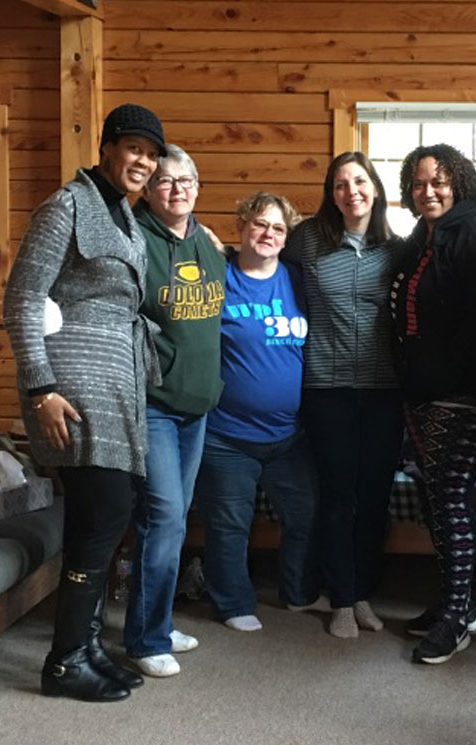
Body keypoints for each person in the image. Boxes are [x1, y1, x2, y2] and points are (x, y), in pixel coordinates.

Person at [3, 103, 166, 702]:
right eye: (134, 148)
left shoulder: (124, 216)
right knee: (104, 515)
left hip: (115, 383)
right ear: (107, 148)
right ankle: (65, 660)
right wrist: (40, 388)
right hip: (73, 386)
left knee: (100, 519)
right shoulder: (66, 206)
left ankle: (86, 643)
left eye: (152, 154)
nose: (143, 162)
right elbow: (21, 299)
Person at [391, 143, 476, 664]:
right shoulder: (423, 236)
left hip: (465, 397)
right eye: (419, 183)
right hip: (424, 396)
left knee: (448, 500)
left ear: (460, 182)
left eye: (439, 181)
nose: (428, 191)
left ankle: (458, 616)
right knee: (438, 503)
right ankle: (450, 602)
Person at [284, 152, 404, 639]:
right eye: (339, 184)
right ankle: (340, 599)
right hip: (326, 387)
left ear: (374, 189)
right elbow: (262, 263)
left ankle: (362, 595)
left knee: (374, 497)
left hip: (383, 389)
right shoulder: (308, 239)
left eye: (359, 181)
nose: (350, 190)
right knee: (337, 496)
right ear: (330, 193)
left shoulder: (396, 248)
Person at [196, 192, 323, 632]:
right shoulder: (219, 278)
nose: (268, 234)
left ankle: (296, 591)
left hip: (290, 436)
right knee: (230, 524)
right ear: (241, 227)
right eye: (259, 224)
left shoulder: (298, 280)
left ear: (287, 238)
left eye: (278, 228)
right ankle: (232, 602)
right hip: (227, 436)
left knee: (305, 515)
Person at [123, 144, 225, 678]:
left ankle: (155, 622)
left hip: (198, 406)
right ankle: (144, 640)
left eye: (186, 180)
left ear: (197, 186)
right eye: (164, 181)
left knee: (175, 520)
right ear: (148, 188)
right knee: (161, 518)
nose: (177, 188)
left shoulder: (206, 242)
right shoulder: (136, 239)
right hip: (155, 405)